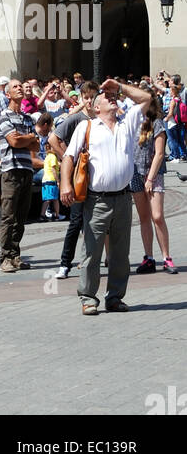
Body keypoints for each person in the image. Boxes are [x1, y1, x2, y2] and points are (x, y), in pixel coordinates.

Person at [61, 78, 153, 314]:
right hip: (97, 199)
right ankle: (88, 297)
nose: (111, 98)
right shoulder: (87, 126)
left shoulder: (127, 123)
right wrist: (65, 185)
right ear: (96, 106)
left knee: (121, 253)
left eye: (113, 96)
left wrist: (120, 88)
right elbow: (69, 157)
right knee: (92, 251)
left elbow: (146, 98)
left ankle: (115, 297)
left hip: (123, 197)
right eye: (106, 96)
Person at [49, 80, 99, 279]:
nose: (88, 101)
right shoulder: (76, 118)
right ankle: (65, 263)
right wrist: (68, 157)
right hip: (80, 177)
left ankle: (99, 259)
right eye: (85, 97)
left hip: (98, 177)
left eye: (92, 97)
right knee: (76, 221)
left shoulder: (103, 118)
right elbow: (54, 138)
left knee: (98, 222)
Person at [0, 79, 38, 272]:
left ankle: (15, 254)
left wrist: (26, 140)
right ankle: (5, 256)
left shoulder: (28, 119)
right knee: (8, 215)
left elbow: (36, 146)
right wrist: (27, 139)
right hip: (11, 170)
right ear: (8, 94)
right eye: (15, 87)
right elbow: (13, 141)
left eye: (21, 86)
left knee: (21, 216)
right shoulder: (4, 116)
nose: (20, 88)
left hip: (27, 169)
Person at [131, 92, 175, 274]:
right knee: (143, 217)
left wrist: (150, 178)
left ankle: (167, 257)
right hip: (135, 174)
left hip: (153, 174)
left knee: (157, 216)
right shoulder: (132, 123)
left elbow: (159, 153)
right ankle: (148, 257)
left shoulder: (157, 123)